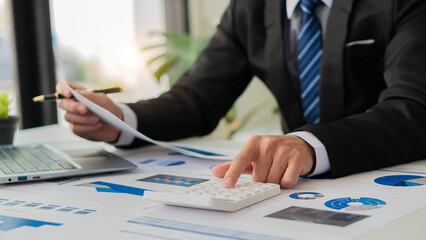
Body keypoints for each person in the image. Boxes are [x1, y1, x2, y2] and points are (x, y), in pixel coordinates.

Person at [56, 0, 426, 189]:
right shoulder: (250, 7)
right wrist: (120, 119)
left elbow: (413, 108)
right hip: (295, 192)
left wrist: (309, 145)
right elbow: (198, 99)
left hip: (398, 184)